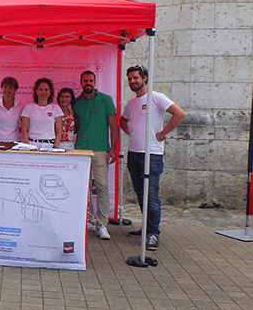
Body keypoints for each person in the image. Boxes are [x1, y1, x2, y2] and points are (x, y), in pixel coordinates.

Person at [120, 65, 186, 251]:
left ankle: (153, 233)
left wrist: (162, 133)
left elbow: (179, 113)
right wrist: (129, 131)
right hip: (134, 153)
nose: (133, 81)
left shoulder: (156, 97)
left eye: (136, 78)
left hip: (152, 155)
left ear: (145, 78)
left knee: (151, 196)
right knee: (141, 195)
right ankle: (147, 228)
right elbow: (123, 120)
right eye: (130, 79)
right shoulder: (132, 103)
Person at [73, 70, 118, 240]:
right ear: (81, 82)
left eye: (91, 80)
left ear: (95, 81)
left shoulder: (105, 99)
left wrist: (113, 148)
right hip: (81, 149)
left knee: (101, 187)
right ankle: (90, 221)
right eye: (85, 80)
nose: (88, 83)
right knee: (84, 189)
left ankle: (102, 224)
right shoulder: (76, 102)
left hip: (101, 149)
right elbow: (75, 126)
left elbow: (114, 125)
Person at [20, 77, 63, 147]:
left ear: (50, 91)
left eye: (46, 89)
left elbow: (59, 130)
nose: (43, 92)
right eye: (40, 89)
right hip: (32, 144)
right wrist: (27, 146)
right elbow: (24, 129)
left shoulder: (56, 108)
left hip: (49, 145)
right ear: (36, 91)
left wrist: (56, 146)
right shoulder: (28, 108)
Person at [0, 76, 23, 143]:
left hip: (15, 144)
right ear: (1, 88)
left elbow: (26, 125)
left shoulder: (20, 107)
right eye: (5, 87)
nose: (7, 90)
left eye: (10, 88)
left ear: (15, 90)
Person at [54, 87, 77, 151]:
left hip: (70, 145)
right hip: (56, 144)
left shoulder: (73, 113)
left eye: (67, 97)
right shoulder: (54, 112)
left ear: (71, 99)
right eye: (62, 96)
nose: (64, 99)